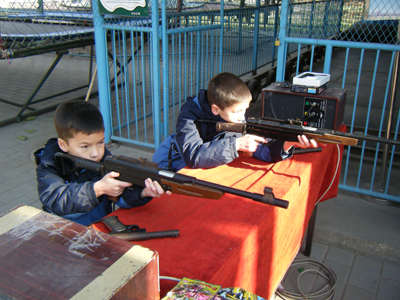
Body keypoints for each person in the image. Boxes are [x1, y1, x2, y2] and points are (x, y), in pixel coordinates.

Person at [36, 100, 170, 226]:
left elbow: (120, 197)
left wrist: (143, 192)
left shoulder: (104, 158)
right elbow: (54, 199)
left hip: (100, 229)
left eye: (100, 142)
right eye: (85, 146)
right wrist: (97, 189)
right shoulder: (50, 164)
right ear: (63, 145)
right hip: (64, 232)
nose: (95, 153)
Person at [152, 72, 318, 172]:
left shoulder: (233, 116)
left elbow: (262, 151)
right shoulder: (189, 116)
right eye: (237, 112)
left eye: (245, 109)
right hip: (169, 162)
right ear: (216, 109)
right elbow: (193, 156)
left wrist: (288, 142)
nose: (242, 117)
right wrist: (235, 145)